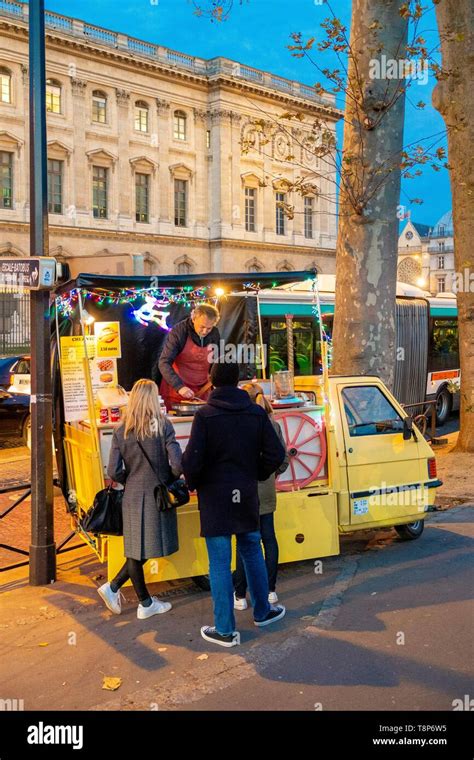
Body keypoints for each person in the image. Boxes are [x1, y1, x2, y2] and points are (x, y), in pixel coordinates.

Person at [182, 361, 286, 647]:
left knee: (219, 561)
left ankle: (225, 630)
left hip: (215, 498)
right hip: (246, 493)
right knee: (252, 550)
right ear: (238, 382)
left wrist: (194, 482)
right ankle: (263, 612)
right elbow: (276, 454)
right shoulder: (255, 413)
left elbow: (192, 460)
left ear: (212, 383)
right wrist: (257, 473)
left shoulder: (205, 415)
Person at [97, 379, 183, 619]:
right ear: (152, 399)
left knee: (137, 548)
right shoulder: (163, 425)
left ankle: (115, 588)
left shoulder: (121, 429)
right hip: (157, 494)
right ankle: (144, 603)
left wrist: (131, 478)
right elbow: (177, 464)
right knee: (140, 550)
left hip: (133, 494)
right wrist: (168, 477)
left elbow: (113, 471)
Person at [233, 383, 289, 610]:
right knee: (269, 539)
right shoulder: (272, 425)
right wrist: (270, 476)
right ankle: (270, 590)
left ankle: (240, 596)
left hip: (242, 493)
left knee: (244, 542)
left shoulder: (236, 425)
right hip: (265, 490)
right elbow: (283, 459)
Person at [158, 303, 220, 410]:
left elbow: (217, 361)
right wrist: (179, 387)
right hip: (177, 393)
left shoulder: (214, 333)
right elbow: (164, 362)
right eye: (202, 327)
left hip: (203, 392)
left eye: (209, 328)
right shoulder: (180, 331)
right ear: (193, 318)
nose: (205, 331)